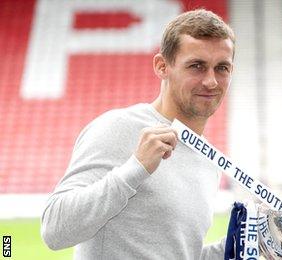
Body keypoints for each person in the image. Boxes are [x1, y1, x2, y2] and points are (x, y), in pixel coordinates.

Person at [41, 9, 234, 259]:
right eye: (196, 66)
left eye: (222, 68)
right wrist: (135, 169)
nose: (211, 81)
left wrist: (244, 244)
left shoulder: (208, 161)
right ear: (162, 66)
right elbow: (55, 230)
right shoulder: (117, 128)